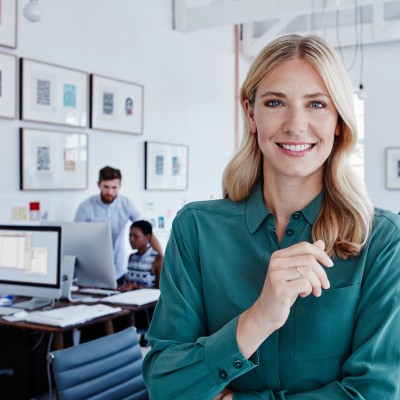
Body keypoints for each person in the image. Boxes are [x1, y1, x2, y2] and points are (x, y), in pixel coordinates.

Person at [142, 34, 400, 399]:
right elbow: (165, 387)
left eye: (316, 105)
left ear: (339, 120)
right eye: (276, 102)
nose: (295, 125)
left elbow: (375, 392)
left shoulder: (382, 240)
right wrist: (259, 317)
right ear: (251, 113)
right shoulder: (195, 230)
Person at [75, 166, 163, 284]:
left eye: (114, 187)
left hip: (119, 267)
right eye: (106, 187)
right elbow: (76, 237)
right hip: (92, 267)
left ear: (119, 186)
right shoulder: (86, 207)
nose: (110, 192)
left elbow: (145, 230)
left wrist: (161, 258)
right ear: (98, 185)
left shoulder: (126, 204)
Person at [118, 220, 160, 291]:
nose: (131, 239)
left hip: (148, 300)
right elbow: (128, 283)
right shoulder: (131, 257)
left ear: (147, 237)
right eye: (130, 236)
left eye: (135, 236)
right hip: (129, 299)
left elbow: (160, 290)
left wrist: (136, 287)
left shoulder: (157, 258)